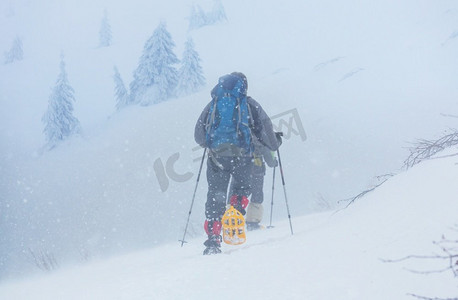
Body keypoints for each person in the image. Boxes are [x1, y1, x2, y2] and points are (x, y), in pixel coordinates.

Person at [194, 72, 281, 255]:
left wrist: (211, 144)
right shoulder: (249, 104)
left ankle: (213, 240)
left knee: (215, 195)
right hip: (243, 156)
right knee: (241, 189)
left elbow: (199, 136)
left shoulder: (213, 104)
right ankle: (234, 214)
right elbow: (265, 130)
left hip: (217, 157)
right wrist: (275, 143)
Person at [231, 138, 278, 231]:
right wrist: (273, 162)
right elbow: (266, 149)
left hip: (239, 166)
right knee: (257, 194)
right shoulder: (259, 131)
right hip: (256, 167)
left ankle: (231, 220)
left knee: (237, 194)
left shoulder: (237, 128)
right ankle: (252, 221)